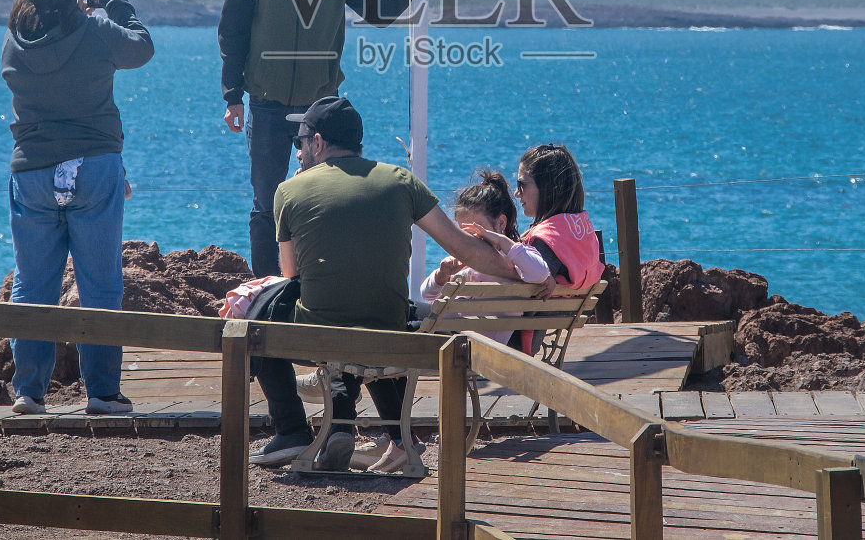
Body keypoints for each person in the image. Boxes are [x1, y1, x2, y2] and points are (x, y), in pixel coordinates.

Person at [248, 97, 518, 475]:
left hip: (319, 333)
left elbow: (291, 275)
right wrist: (516, 271)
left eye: (300, 141)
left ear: (319, 143)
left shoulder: (289, 191)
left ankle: (292, 429)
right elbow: (462, 247)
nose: (297, 151)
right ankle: (377, 432)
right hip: (388, 327)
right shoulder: (401, 181)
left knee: (258, 309)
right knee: (359, 305)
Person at [218, 0, 434, 277]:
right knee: (267, 204)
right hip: (265, 105)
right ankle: (268, 290)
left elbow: (379, 12)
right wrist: (232, 95)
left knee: (324, 201)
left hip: (321, 108)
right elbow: (233, 31)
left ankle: (318, 286)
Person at [0, 0, 154, 416]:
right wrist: (114, 0)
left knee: (32, 284)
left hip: (32, 171)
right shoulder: (95, 32)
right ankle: (103, 394)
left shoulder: (13, 43)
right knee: (100, 283)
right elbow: (142, 46)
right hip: (93, 167)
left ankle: (29, 391)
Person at [514, 144, 607, 354]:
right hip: (535, 334)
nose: (516, 193)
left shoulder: (545, 241)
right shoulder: (581, 233)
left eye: (521, 184)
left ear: (547, 187)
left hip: (505, 342)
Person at [420, 170, 554, 305]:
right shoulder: (464, 263)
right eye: (464, 233)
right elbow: (427, 294)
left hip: (465, 324)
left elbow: (541, 274)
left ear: (501, 222)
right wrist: (442, 275)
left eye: (478, 229)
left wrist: (502, 241)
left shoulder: (515, 259)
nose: (471, 238)